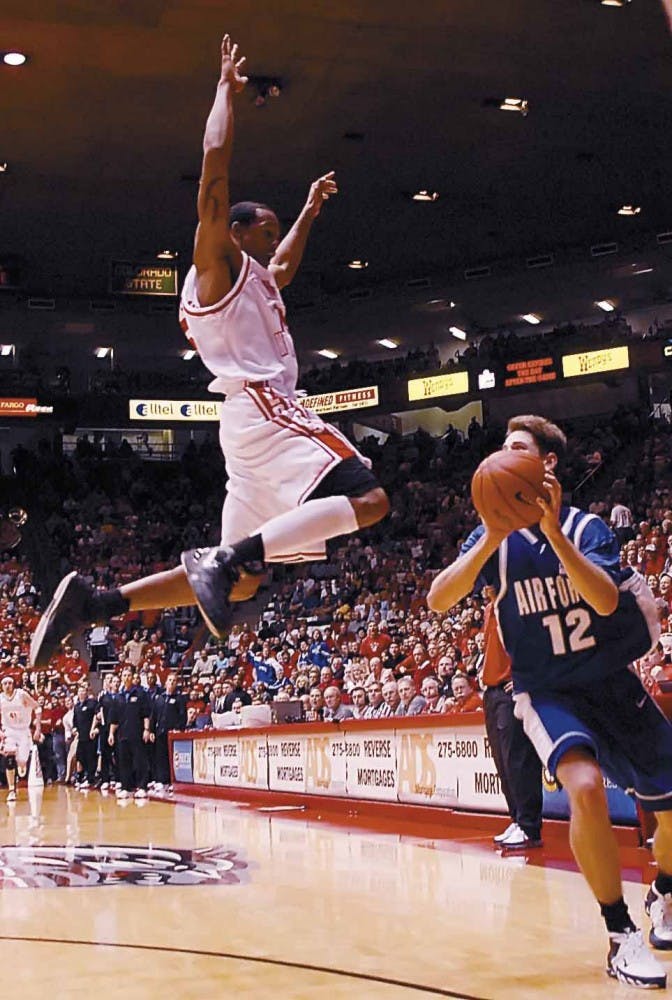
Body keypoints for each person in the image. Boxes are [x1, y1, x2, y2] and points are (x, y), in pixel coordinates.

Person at [30, 33, 389, 669]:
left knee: (242, 579)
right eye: (264, 229)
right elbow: (214, 172)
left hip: (243, 429)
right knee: (370, 501)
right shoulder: (214, 268)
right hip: (266, 406)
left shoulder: (252, 276)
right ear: (233, 229)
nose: (271, 243)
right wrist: (224, 91)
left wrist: (307, 213)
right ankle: (219, 558)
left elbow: (281, 267)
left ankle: (98, 601)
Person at [428, 413, 672, 989]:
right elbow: (440, 599)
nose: (500, 456)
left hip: (612, 682)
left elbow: (606, 601)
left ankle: (662, 893)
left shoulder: (588, 528)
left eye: (515, 448)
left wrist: (555, 536)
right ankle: (620, 934)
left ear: (547, 464)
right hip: (548, 690)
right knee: (584, 788)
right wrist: (490, 532)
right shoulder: (495, 540)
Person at [480, 585, 543, 851]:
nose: (485, 586)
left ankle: (530, 827)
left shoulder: (518, 605)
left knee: (519, 760)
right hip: (492, 691)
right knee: (503, 761)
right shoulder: (488, 610)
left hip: (511, 689)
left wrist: (523, 678)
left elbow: (538, 643)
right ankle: (516, 819)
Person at [0, 675, 40, 802]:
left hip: (23, 731)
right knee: (9, 759)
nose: (7, 685)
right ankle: (12, 790)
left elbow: (37, 708)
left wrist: (38, 727)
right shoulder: (0, 698)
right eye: (5, 683)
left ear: (13, 684)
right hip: (9, 731)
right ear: (1, 685)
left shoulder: (21, 695)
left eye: (10, 683)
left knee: (22, 765)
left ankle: (21, 765)